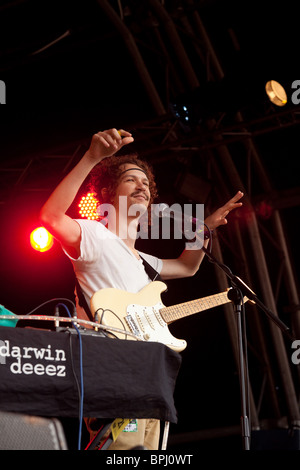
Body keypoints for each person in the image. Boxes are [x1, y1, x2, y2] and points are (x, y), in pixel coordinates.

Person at [39, 128, 243, 450]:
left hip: (149, 372)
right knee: (121, 450)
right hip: (113, 367)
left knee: (148, 453)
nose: (142, 185)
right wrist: (92, 157)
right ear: (107, 191)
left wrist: (206, 228)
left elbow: (189, 266)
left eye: (146, 182)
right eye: (132, 180)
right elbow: (50, 217)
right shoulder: (94, 235)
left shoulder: (144, 261)